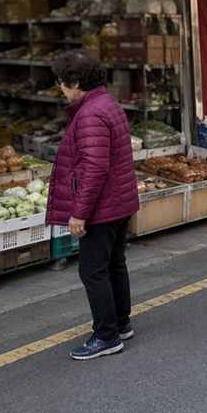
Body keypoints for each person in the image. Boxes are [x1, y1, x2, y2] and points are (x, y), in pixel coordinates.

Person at [46, 50, 140, 360]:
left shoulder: (89, 114)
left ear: (75, 82)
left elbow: (94, 168)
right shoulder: (107, 103)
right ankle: (121, 323)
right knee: (114, 264)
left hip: (101, 206)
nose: (60, 88)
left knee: (92, 271)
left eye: (62, 82)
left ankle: (106, 336)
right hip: (118, 200)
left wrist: (78, 213)